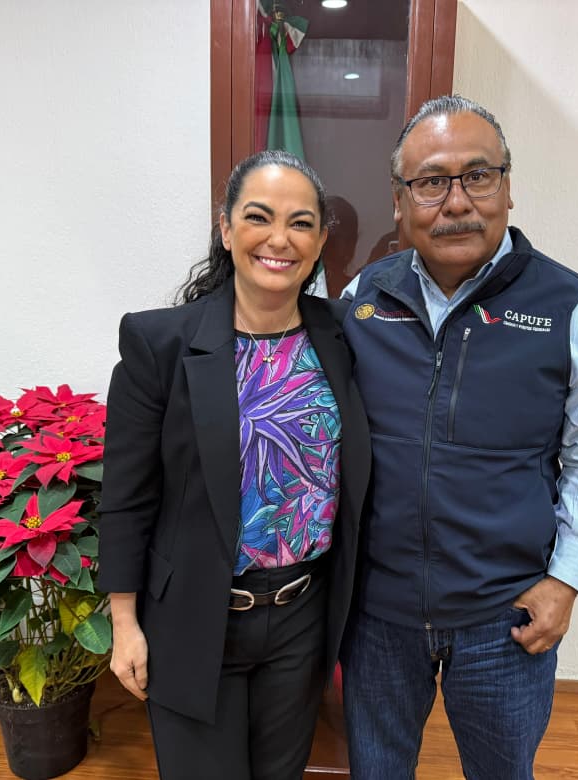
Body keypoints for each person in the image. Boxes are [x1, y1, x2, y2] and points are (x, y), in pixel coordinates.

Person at [338, 95, 578, 779]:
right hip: (378, 615)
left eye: (478, 176)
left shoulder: (570, 307)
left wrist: (564, 582)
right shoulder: (361, 299)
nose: (457, 202)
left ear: (508, 187)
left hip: (506, 617)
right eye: (431, 182)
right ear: (400, 201)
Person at [98, 149, 370, 780]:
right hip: (194, 616)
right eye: (258, 217)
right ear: (225, 228)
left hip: (302, 615)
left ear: (320, 240)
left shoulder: (342, 336)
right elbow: (127, 497)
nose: (280, 239)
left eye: (301, 223)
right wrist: (124, 623)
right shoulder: (159, 342)